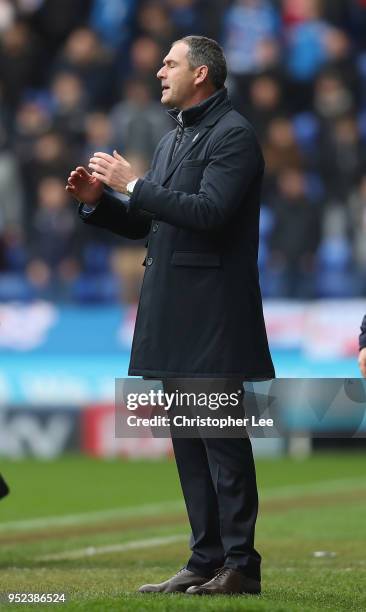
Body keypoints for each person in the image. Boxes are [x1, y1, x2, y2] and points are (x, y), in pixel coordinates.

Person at [66, 35, 274, 596]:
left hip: (213, 316)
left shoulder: (234, 135)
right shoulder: (174, 139)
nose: (159, 71)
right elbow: (152, 223)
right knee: (188, 441)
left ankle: (241, 565)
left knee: (221, 442)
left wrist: (133, 184)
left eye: (170, 63)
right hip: (173, 314)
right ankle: (204, 558)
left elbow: (208, 213)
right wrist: (99, 201)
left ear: (202, 74)